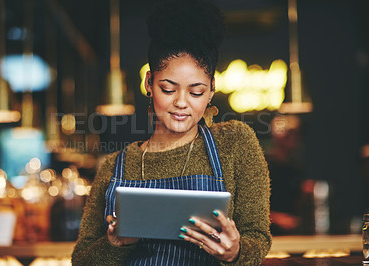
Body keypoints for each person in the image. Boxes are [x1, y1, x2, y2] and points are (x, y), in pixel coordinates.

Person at [71, 1, 271, 265]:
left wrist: (236, 252)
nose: (181, 102)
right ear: (149, 83)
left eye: (196, 91)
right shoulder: (115, 166)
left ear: (211, 89)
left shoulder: (234, 143)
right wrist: (114, 244)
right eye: (168, 88)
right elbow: (81, 261)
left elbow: (258, 238)